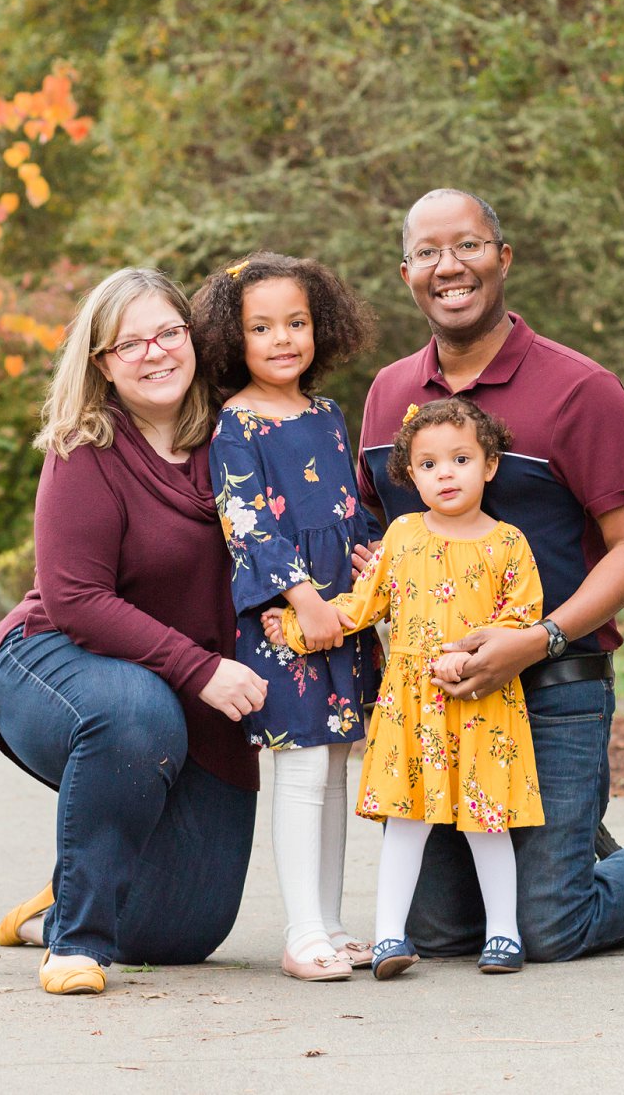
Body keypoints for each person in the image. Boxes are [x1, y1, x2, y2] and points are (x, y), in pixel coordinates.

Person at [354, 188, 624, 964]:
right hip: (439, 701)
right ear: (406, 274)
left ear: (504, 257)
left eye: (467, 245)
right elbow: (377, 539)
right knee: (435, 934)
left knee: (545, 930)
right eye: (428, 252)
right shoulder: (389, 396)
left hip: (555, 690)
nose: (448, 266)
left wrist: (541, 637)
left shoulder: (579, 390)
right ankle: (569, 840)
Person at [0, 267, 270, 997]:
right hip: (60, 662)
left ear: (192, 339)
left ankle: (60, 898)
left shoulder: (236, 437)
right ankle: (75, 943)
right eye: (128, 343)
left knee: (182, 934)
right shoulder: (87, 448)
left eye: (168, 332)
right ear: (102, 362)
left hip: (193, 697)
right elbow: (76, 598)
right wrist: (200, 668)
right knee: (137, 712)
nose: (154, 353)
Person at [270, 398, 546, 978]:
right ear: (410, 474)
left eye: (461, 458)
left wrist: (467, 657)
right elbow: (362, 606)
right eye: (428, 464)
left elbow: (521, 620)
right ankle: (391, 937)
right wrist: (299, 623)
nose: (445, 473)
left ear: (489, 465)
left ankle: (503, 933)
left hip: (482, 703)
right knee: (407, 819)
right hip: (412, 706)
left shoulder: (509, 544)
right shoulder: (401, 537)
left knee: (485, 819)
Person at [189, 252, 384, 983]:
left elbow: (347, 509)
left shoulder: (329, 413)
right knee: (302, 771)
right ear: (231, 341)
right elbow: (245, 522)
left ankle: (331, 925)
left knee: (334, 772)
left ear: (320, 326)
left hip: (345, 619)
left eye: (296, 323)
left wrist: (371, 563)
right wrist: (302, 596)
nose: (282, 339)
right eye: (261, 327)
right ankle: (302, 933)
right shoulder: (236, 423)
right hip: (287, 626)